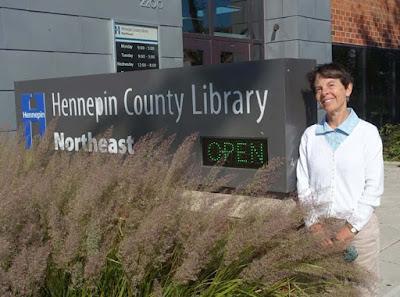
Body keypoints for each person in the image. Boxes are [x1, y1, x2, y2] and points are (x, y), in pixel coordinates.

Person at [296, 63, 384, 297]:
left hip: (359, 231)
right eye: (318, 88)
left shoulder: (367, 133)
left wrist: (349, 230)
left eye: (331, 85)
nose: (324, 92)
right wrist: (314, 226)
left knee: (361, 291)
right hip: (320, 231)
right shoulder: (310, 136)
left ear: (348, 89)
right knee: (324, 291)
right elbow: (304, 186)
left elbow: (373, 189)